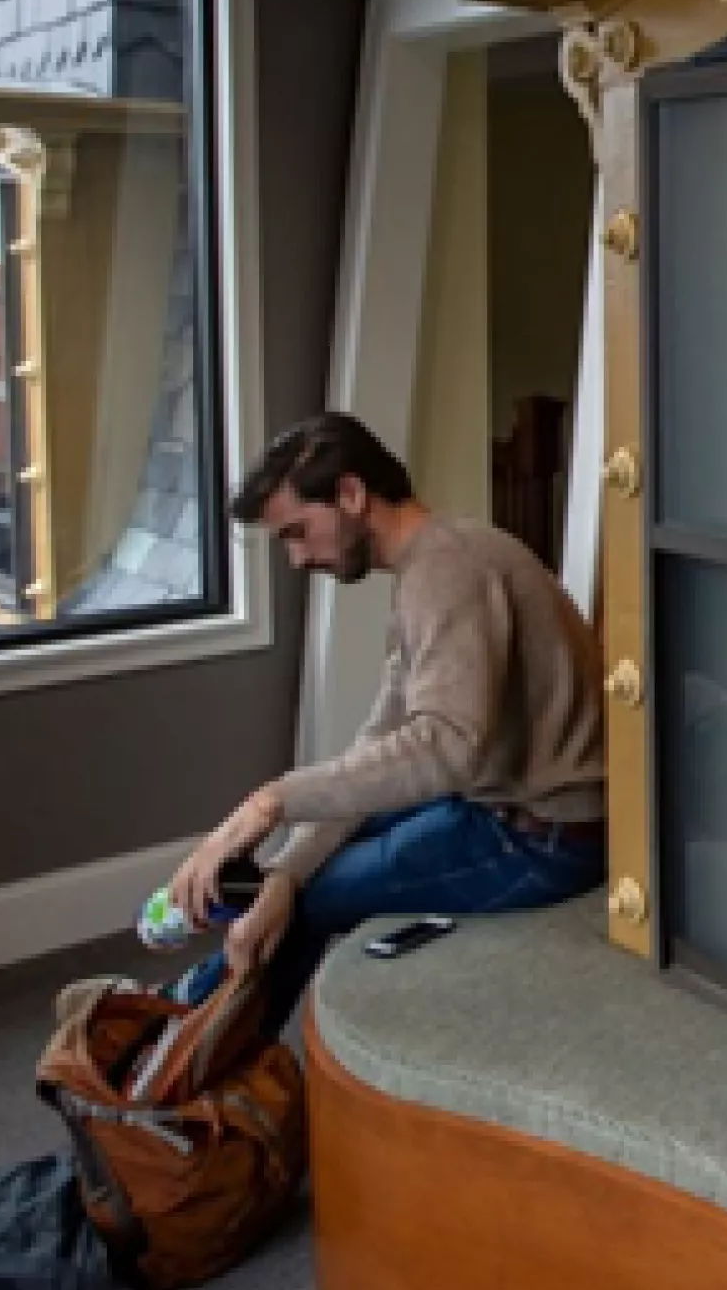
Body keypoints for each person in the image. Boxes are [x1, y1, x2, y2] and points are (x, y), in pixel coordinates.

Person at [158, 411, 607, 1029]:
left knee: (317, 899)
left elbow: (446, 747)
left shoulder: (448, 570)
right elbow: (385, 741)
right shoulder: (431, 562)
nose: (295, 559)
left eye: (297, 532)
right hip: (494, 803)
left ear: (349, 493)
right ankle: (173, 1029)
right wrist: (286, 868)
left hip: (547, 837)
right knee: (304, 874)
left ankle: (176, 1059)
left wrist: (271, 805)